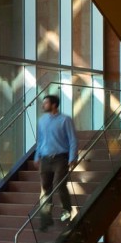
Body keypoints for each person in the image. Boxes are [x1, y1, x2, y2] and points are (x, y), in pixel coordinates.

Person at [36, 94, 78, 231]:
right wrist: (37, 156)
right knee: (45, 189)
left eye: (46, 103)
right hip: (45, 159)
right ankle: (45, 220)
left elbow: (73, 139)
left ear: (54, 105)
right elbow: (40, 140)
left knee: (59, 185)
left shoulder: (65, 120)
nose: (43, 105)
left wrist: (72, 158)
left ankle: (66, 211)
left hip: (61, 158)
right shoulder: (41, 121)